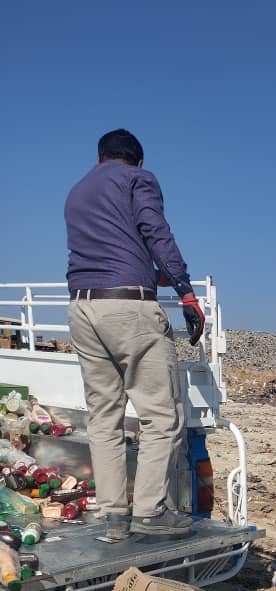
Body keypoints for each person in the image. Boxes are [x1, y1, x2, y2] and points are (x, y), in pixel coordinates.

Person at [64, 128, 206, 541]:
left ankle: (115, 518)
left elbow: (115, 245)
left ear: (99, 158)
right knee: (161, 415)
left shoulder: (77, 191)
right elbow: (155, 231)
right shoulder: (137, 179)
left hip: (82, 307)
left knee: (104, 418)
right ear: (137, 161)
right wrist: (185, 290)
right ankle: (149, 512)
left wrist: (150, 267)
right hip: (128, 308)